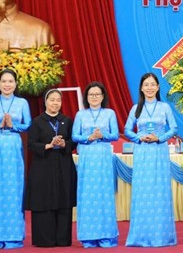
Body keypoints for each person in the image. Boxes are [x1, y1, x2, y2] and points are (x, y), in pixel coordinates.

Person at [124, 73, 178, 247]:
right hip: (142, 151)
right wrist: (139, 138)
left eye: (152, 84)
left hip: (159, 151)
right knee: (143, 190)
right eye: (146, 84)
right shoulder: (136, 108)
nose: (149, 87)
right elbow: (127, 130)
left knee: (159, 190)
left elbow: (174, 128)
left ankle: (162, 236)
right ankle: (141, 235)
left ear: (158, 87)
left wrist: (160, 138)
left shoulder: (164, 107)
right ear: (141, 88)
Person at [0, 68, 31, 249]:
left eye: (10, 81)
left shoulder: (22, 102)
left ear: (16, 84)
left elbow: (28, 125)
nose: (7, 84)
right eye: (4, 81)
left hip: (14, 145)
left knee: (14, 187)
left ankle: (13, 236)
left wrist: (13, 125)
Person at [26, 89, 77, 247]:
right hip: (43, 166)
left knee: (63, 197)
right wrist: (48, 145)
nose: (55, 103)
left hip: (63, 165)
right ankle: (45, 239)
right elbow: (31, 144)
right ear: (45, 102)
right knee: (44, 198)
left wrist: (64, 144)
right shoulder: (37, 121)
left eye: (58, 100)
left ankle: (62, 239)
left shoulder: (67, 121)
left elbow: (73, 141)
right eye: (52, 100)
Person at [72, 82, 120, 248]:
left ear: (102, 96)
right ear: (86, 97)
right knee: (87, 194)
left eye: (97, 94)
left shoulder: (110, 113)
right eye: (91, 94)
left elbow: (115, 135)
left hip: (103, 157)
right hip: (87, 157)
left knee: (104, 193)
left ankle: (106, 235)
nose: (94, 97)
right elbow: (74, 136)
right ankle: (88, 237)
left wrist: (102, 135)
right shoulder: (80, 115)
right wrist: (88, 137)